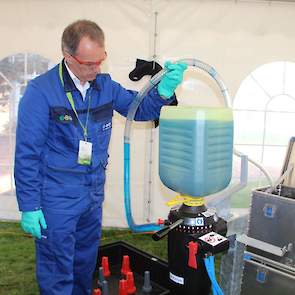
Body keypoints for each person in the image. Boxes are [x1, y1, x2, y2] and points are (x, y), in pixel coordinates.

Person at [14, 19, 187, 295]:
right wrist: (30, 205)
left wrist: (163, 91)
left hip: (92, 194)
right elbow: (27, 154)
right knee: (58, 267)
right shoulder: (41, 92)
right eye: (88, 63)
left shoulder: (105, 86)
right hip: (57, 197)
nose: (96, 69)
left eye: (101, 60)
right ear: (68, 57)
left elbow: (138, 110)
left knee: (84, 262)